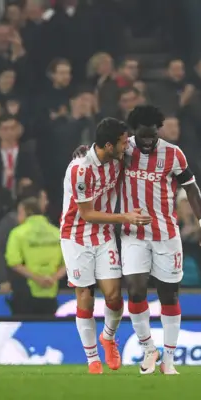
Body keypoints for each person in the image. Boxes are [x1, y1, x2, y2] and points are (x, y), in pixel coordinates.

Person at [121, 105, 201, 375]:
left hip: (166, 235)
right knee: (136, 290)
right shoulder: (123, 149)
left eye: (152, 136)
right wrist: (83, 152)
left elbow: (192, 189)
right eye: (143, 137)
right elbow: (96, 153)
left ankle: (169, 360)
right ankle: (149, 349)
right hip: (133, 234)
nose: (148, 142)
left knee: (168, 295)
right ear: (133, 132)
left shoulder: (173, 153)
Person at [61, 118, 151, 374]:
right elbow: (87, 214)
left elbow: (140, 146)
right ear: (108, 145)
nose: (126, 147)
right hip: (76, 235)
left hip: (103, 235)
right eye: (122, 143)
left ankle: (108, 338)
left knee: (113, 296)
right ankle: (92, 360)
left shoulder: (117, 159)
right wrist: (126, 217)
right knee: (85, 297)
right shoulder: (79, 170)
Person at [5, 197, 65, 315]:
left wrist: (37, 279)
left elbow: (14, 262)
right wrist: (52, 279)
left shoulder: (18, 233)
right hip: (51, 291)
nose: (18, 217)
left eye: (19, 212)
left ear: (27, 212)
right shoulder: (57, 233)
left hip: (25, 294)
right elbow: (68, 263)